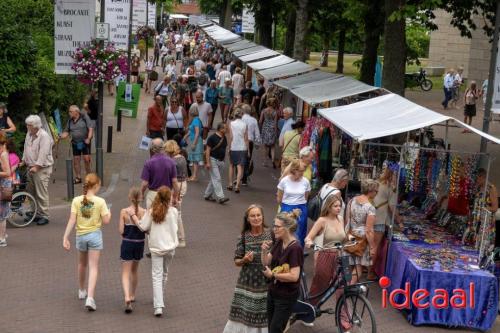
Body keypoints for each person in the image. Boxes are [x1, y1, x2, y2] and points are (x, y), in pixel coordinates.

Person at [62, 173, 111, 311]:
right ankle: (90, 297)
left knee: (82, 264)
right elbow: (106, 221)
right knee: (93, 266)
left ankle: (81, 290)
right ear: (95, 186)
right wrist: (109, 214)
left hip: (81, 235)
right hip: (94, 235)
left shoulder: (76, 200)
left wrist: (65, 237)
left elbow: (72, 219)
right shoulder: (100, 201)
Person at [223, 204, 272, 333]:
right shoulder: (243, 237)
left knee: (263, 310)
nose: (256, 218)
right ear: (248, 219)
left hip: (266, 279)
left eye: (258, 215)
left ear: (262, 216)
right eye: (253, 216)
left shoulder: (271, 234)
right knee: (245, 309)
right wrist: (244, 259)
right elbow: (236, 261)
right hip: (247, 280)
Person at [304, 195, 350, 330]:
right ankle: (308, 312)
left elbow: (343, 238)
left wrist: (350, 238)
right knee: (319, 287)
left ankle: (344, 322)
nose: (338, 208)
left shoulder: (340, 219)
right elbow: (309, 237)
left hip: (340, 256)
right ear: (328, 207)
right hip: (325, 255)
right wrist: (310, 243)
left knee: (343, 288)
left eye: (339, 206)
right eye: (335, 206)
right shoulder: (322, 221)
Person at [134, 186, 178, 317]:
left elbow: (143, 227)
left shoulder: (152, 211)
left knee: (156, 276)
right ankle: (160, 298)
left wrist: (135, 218)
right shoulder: (174, 211)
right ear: (169, 198)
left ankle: (158, 305)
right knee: (164, 273)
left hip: (156, 248)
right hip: (170, 247)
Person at [261, 210, 303, 333]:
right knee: (271, 328)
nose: (274, 229)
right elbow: (266, 263)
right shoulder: (279, 241)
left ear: (287, 228)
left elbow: (294, 276)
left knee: (275, 329)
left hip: (286, 296)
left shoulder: (295, 248)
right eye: (274, 225)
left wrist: (273, 275)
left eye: (277, 226)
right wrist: (263, 251)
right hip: (273, 292)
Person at [22, 115, 54, 226]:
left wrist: (37, 166)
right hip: (30, 167)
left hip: (42, 169)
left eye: (29, 125)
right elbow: (26, 148)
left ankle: (44, 215)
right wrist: (23, 160)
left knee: (41, 192)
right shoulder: (29, 133)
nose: (27, 126)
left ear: (35, 126)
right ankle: (35, 213)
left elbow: (43, 153)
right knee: (31, 191)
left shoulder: (44, 136)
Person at [119, 187, 146, 313]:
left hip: (127, 244)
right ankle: (133, 294)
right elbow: (145, 228)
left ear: (129, 197)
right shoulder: (144, 212)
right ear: (141, 198)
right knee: (134, 271)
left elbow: (121, 231)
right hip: (139, 244)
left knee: (125, 273)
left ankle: (126, 297)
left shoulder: (123, 212)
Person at [346, 179, 378, 284]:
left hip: (350, 235)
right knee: (358, 268)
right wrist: (373, 247)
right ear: (371, 191)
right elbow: (369, 230)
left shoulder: (352, 200)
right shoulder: (370, 208)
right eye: (376, 191)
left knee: (350, 264)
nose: (376, 193)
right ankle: (349, 288)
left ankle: (346, 285)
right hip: (362, 240)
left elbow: (347, 220)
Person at [371, 165, 400, 280]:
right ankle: (370, 271)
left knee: (370, 243)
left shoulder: (378, 182)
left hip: (372, 216)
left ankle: (365, 267)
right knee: (375, 246)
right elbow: (392, 207)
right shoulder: (391, 187)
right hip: (380, 218)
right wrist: (399, 220)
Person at [277, 159, 310, 249]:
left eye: (303, 171)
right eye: (300, 171)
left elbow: (306, 197)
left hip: (301, 208)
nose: (302, 173)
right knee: (286, 232)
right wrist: (285, 208)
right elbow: (279, 198)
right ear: (294, 170)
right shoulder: (284, 181)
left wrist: (301, 206)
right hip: (287, 207)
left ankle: (298, 252)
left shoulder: (306, 181)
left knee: (300, 232)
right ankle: (284, 251)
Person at [140, 138, 179, 208]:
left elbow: (145, 183)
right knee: (166, 217)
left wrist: (142, 193)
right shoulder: (171, 162)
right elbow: (174, 182)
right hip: (166, 195)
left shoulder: (148, 163)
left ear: (152, 148)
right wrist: (175, 196)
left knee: (151, 217)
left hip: (153, 195)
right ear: (163, 147)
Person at [468, 168, 498, 257]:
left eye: (476, 178)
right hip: (477, 222)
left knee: (483, 247)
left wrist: (484, 208)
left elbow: (495, 207)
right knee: (475, 244)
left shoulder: (491, 188)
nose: (475, 180)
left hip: (486, 223)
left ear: (482, 177)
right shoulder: (478, 188)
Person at [60, 105, 94, 184]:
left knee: (86, 160)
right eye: (69, 112)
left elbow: (90, 129)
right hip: (75, 142)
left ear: (76, 112)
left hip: (85, 141)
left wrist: (89, 138)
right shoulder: (70, 121)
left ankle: (89, 177)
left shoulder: (84, 117)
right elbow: (66, 132)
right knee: (76, 160)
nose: (69, 113)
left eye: (71, 112)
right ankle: (78, 177)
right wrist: (60, 136)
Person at [165, 140, 188, 247]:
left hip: (176, 187)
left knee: (177, 213)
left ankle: (181, 239)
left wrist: (175, 195)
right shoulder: (182, 157)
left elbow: (172, 179)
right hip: (182, 184)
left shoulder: (172, 161)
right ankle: (176, 237)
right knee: (175, 212)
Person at [204, 122, 230, 204]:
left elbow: (224, 149)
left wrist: (224, 160)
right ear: (220, 129)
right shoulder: (212, 138)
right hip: (213, 160)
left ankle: (207, 195)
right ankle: (221, 197)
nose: (227, 129)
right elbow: (208, 150)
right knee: (217, 178)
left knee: (214, 179)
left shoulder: (224, 137)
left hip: (221, 161)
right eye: (225, 128)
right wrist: (208, 162)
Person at [227, 108, 248, 194]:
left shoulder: (231, 124)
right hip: (242, 147)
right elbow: (246, 138)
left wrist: (229, 147)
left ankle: (230, 183)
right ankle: (237, 185)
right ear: (242, 115)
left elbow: (231, 137)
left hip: (234, 147)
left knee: (231, 165)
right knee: (240, 167)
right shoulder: (245, 124)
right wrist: (248, 149)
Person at [241, 103, 260, 186]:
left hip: (240, 140)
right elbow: (257, 133)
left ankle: (238, 176)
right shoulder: (254, 120)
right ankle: (244, 179)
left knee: (239, 158)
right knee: (247, 159)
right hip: (250, 141)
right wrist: (257, 143)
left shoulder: (240, 119)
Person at [259, 99, 278, 168]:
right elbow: (275, 123)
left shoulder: (264, 111)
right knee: (272, 146)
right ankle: (273, 160)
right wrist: (276, 132)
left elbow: (260, 121)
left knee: (265, 146)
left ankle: (265, 161)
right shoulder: (275, 112)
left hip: (265, 128)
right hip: (272, 128)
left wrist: (260, 128)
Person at [0, 133, 12, 247]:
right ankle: (2, 234)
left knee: (2, 212)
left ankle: (2, 239)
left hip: (4, 185)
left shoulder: (3, 155)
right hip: (1, 184)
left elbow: (8, 173)